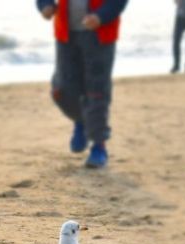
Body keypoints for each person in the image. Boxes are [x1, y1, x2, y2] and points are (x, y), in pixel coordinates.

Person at [37, 0, 129, 169]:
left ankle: (99, 146)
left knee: (96, 91)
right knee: (62, 90)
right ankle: (80, 120)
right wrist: (45, 6)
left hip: (99, 33)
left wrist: (101, 16)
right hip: (66, 34)